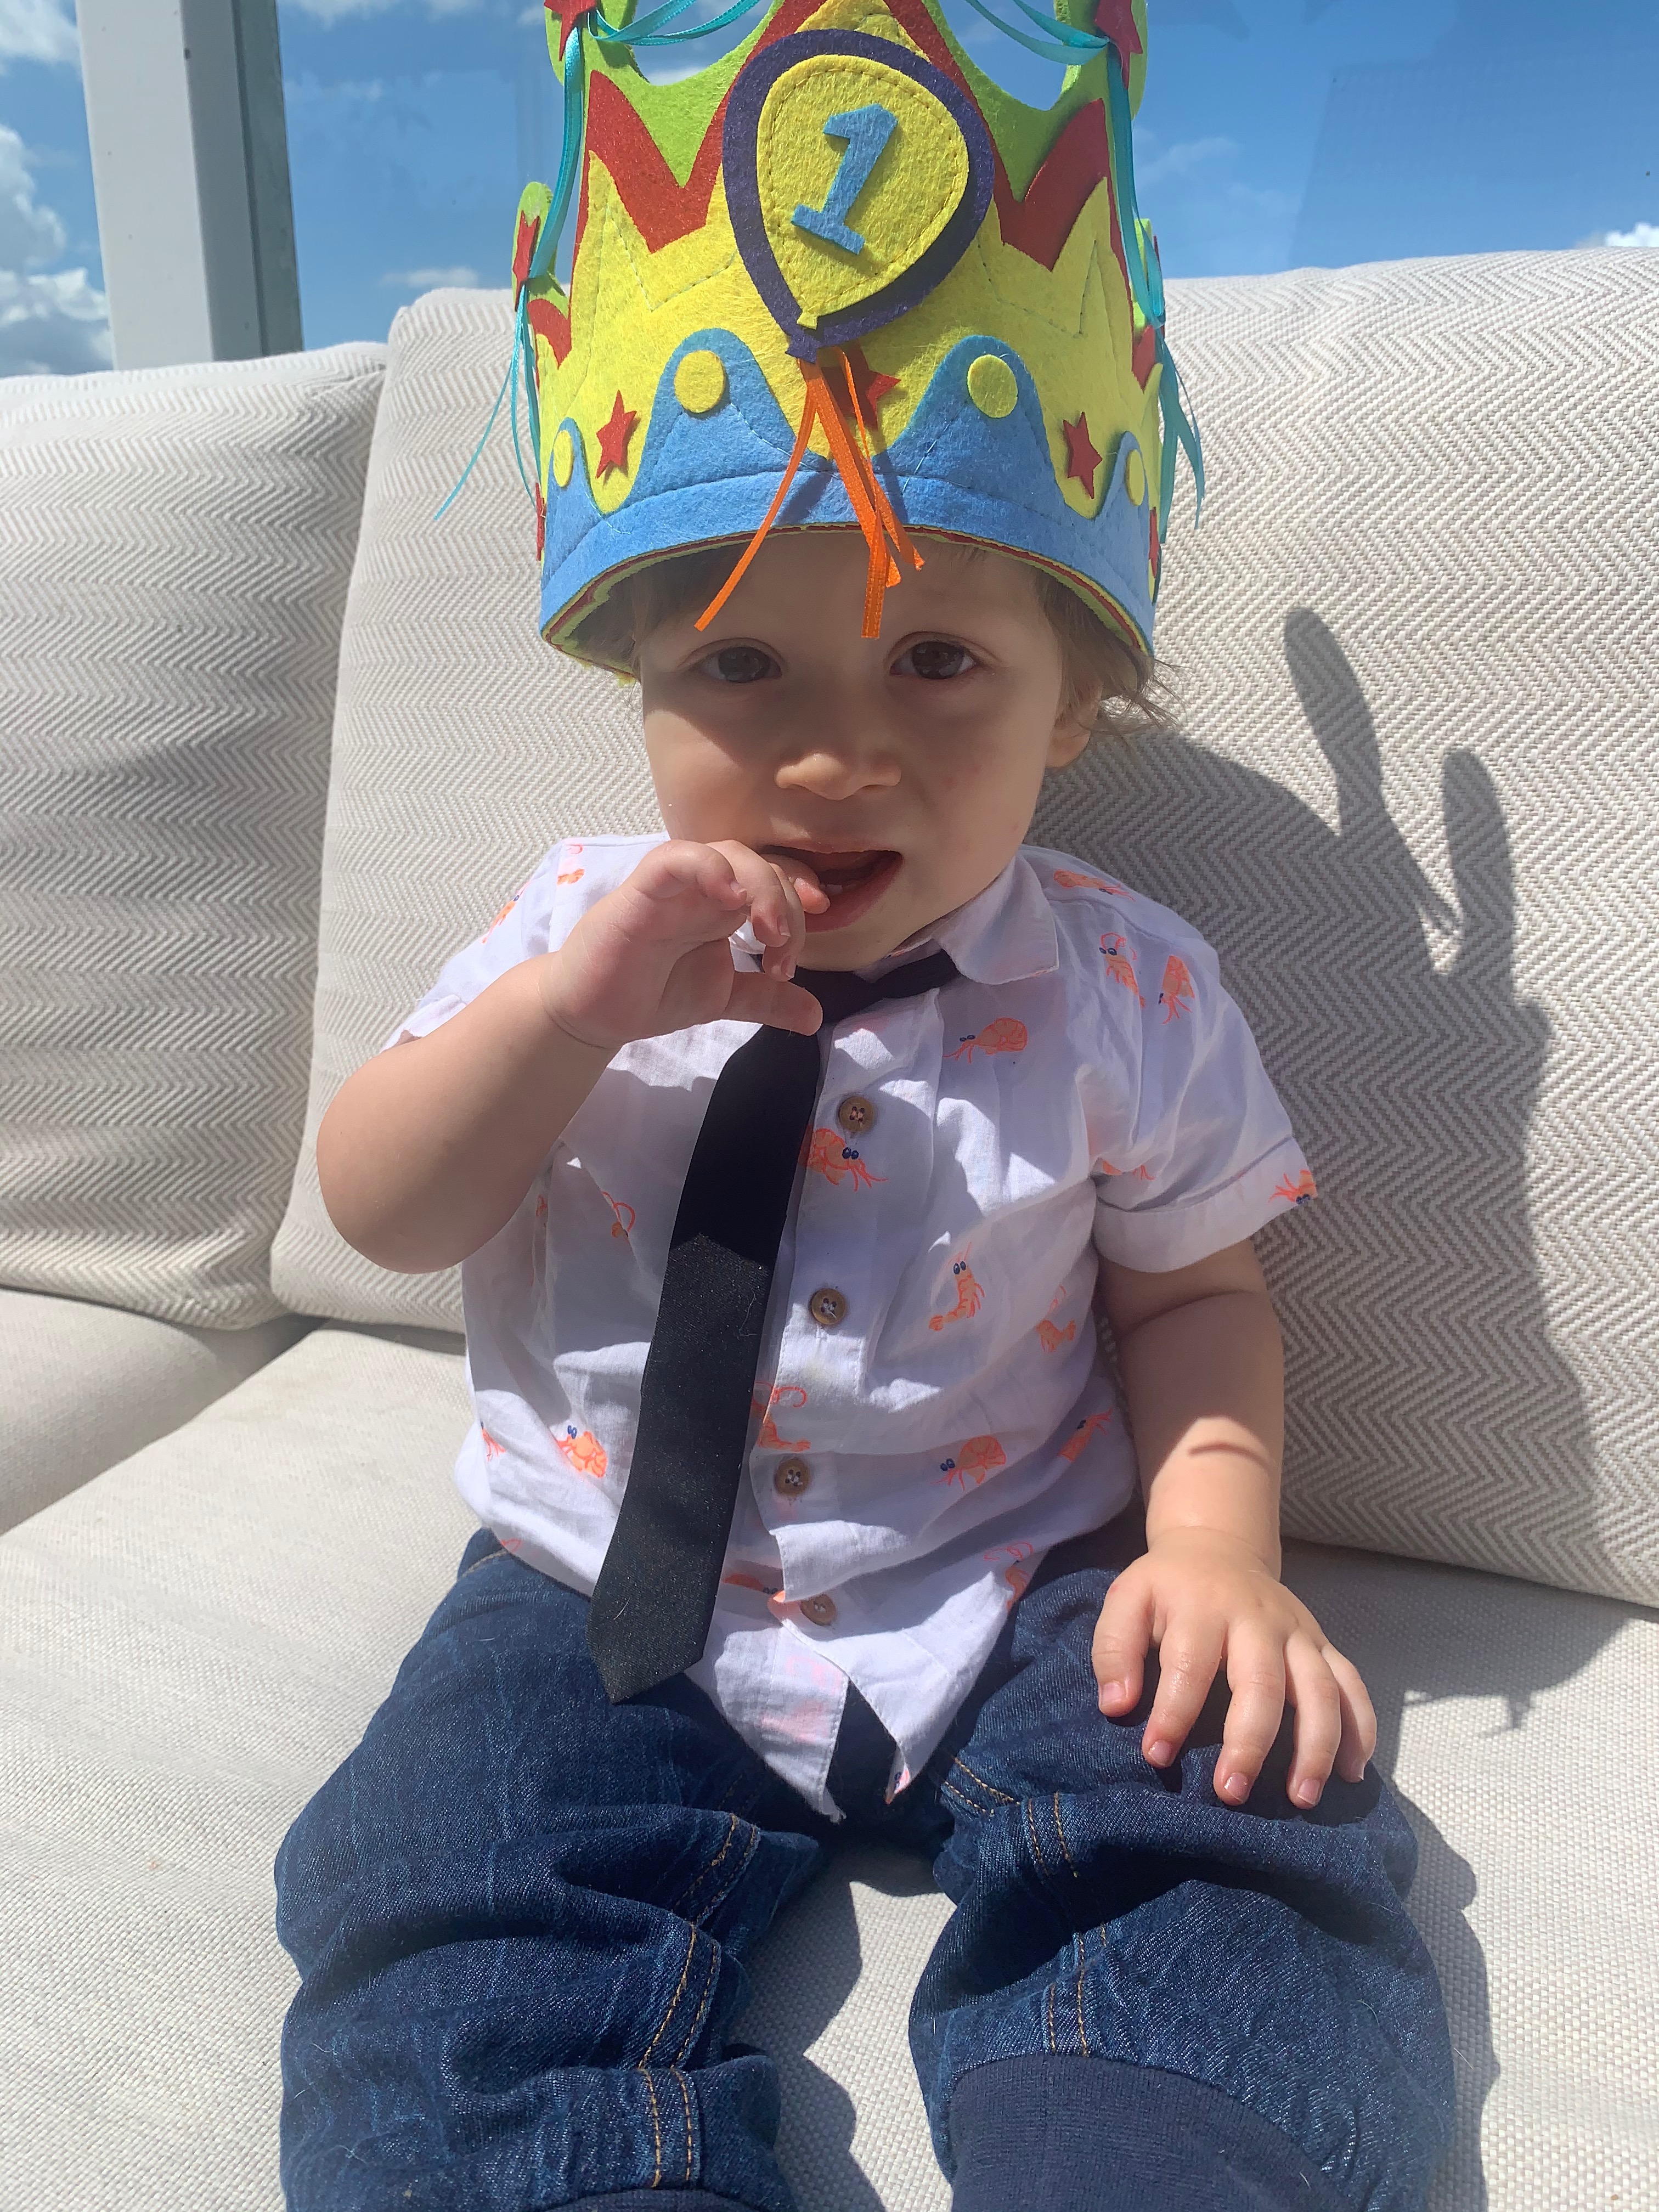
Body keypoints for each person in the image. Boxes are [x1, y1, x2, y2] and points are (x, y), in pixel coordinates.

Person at [273, 3, 1453, 2207]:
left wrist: (1213, 1550)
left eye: (941, 662)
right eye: (740, 664)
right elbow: (384, 1205)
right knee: (444, 1890)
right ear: (638, 683)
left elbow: (1196, 1298)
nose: (838, 752)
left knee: (1226, 1824)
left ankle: (1168, 2156)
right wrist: (565, 1022)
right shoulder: (567, 932)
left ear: (1076, 702)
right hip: (592, 1585)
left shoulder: (1125, 988)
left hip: (1019, 1576)